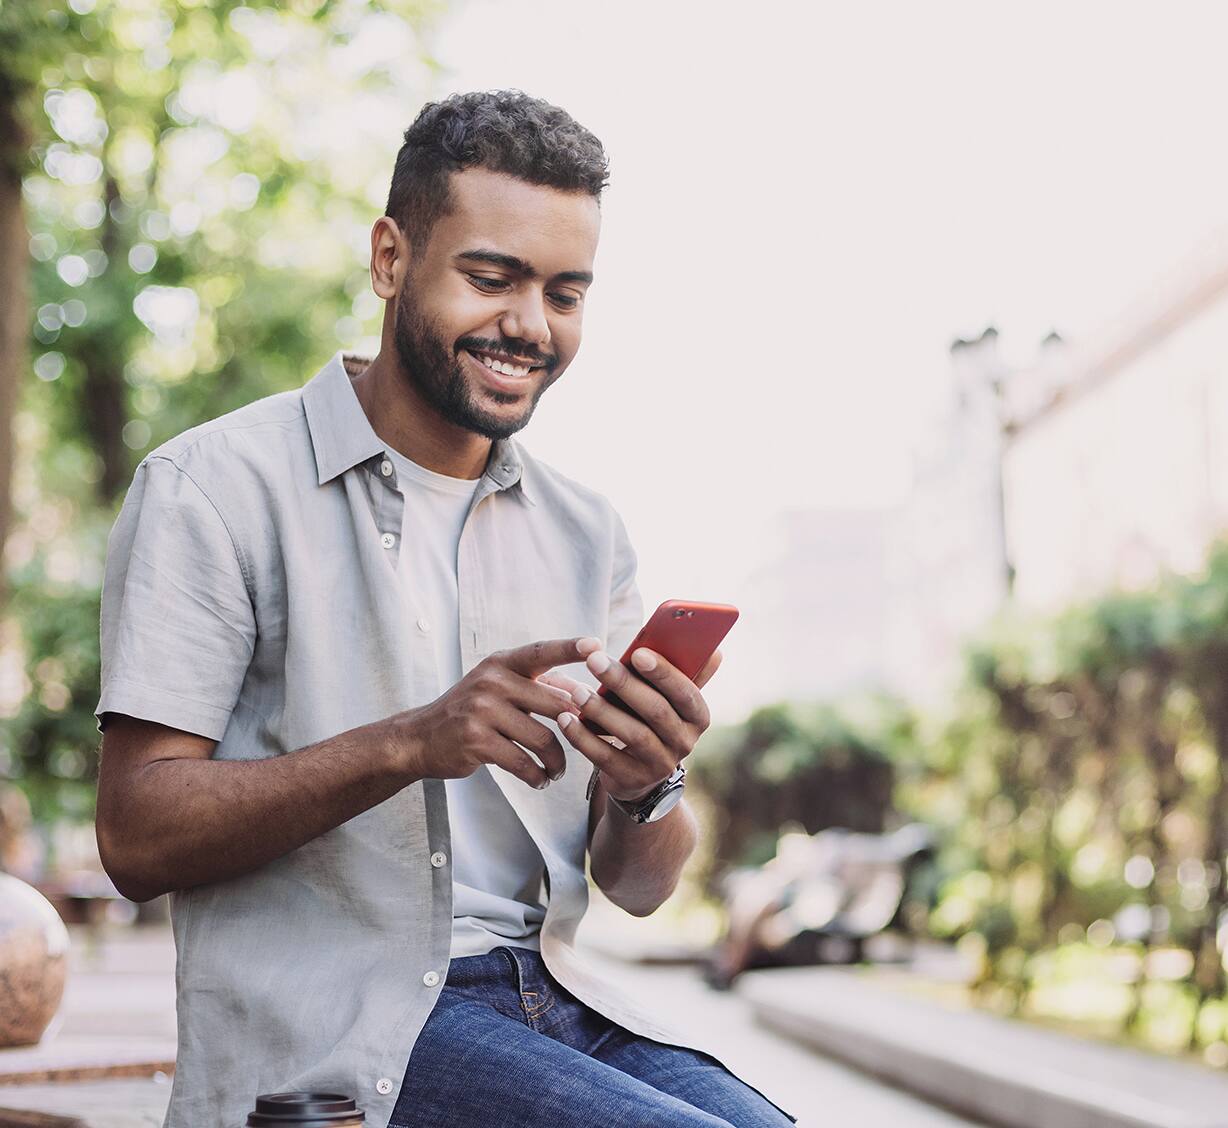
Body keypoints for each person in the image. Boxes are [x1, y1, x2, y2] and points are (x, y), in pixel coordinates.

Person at [94, 91, 795, 1128]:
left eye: (565, 292)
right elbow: (135, 837)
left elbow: (640, 889)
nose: (530, 326)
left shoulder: (585, 531)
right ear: (390, 260)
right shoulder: (213, 488)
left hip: (555, 997)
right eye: (491, 278)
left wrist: (648, 784)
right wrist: (410, 743)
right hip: (341, 1025)